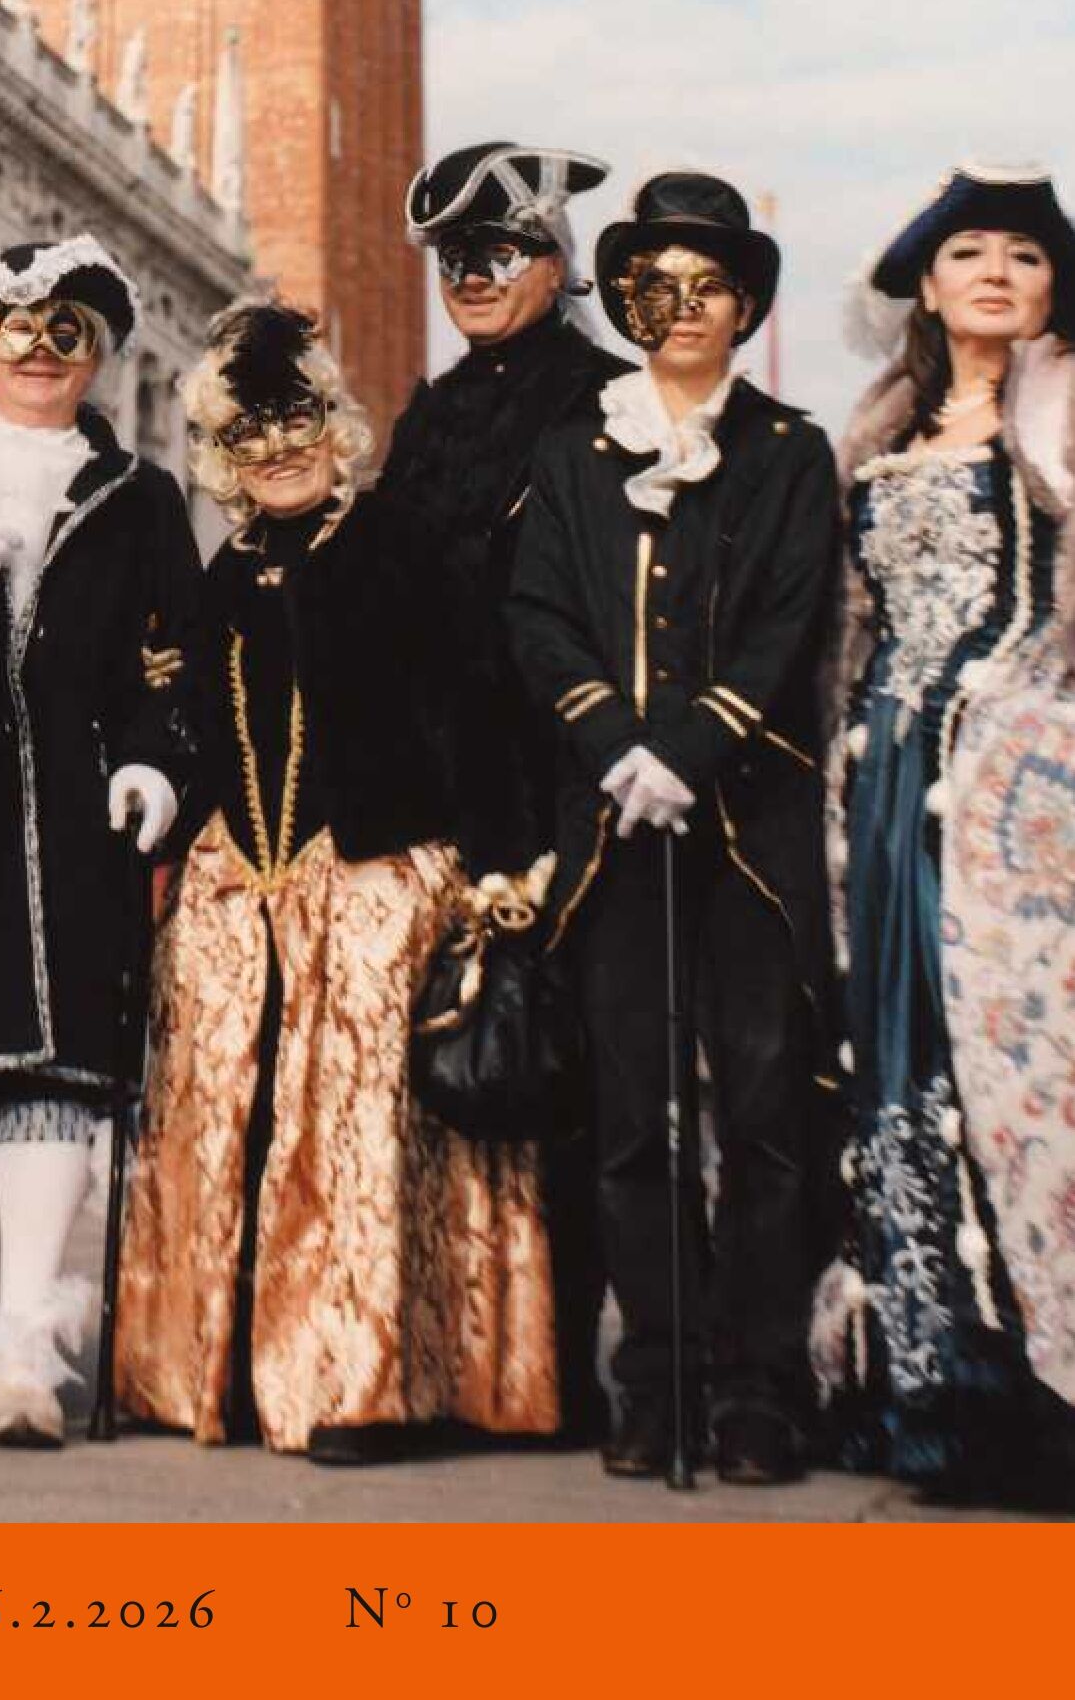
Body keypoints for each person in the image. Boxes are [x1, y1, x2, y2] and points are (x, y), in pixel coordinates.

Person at [115, 299, 558, 1458]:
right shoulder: (229, 565)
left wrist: (502, 857)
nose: (277, 449)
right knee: (221, 1106)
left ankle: (357, 1381)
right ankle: (219, 1369)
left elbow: (473, 702)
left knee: (359, 1122)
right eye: (251, 432)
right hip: (237, 879)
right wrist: (160, 783)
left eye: (296, 419)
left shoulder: (397, 543)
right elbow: (195, 723)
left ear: (333, 422)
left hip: (372, 865)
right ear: (221, 449)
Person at [507, 171, 839, 1486]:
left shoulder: (786, 452)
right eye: (654, 284)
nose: (681, 306)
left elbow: (786, 623)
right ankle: (655, 1376)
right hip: (610, 826)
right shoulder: (570, 451)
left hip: (745, 825)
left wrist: (687, 749)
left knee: (759, 1110)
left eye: (708, 286)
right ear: (627, 298)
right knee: (634, 1120)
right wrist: (609, 741)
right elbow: (535, 612)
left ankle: (757, 1387)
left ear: (743, 307)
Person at [0, 231, 200, 1448]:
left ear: (98, 354)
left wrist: (152, 756)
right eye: (14, 330)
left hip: (76, 810)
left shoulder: (139, 496)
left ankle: (29, 1329)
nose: (36, 353)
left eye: (65, 331)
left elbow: (172, 653)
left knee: (59, 1062)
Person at [823, 165, 1075, 1506]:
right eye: (965, 252)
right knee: (895, 1066)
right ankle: (927, 1387)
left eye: (1021, 258)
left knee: (1015, 1064)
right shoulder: (877, 429)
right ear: (923, 284)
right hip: (880, 775)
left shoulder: (1058, 415)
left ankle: (1037, 1396)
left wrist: (1025, 693)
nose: (991, 272)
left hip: (1018, 786)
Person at [379, 138, 614, 1437]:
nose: (470, 275)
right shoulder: (428, 413)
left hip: (559, 779)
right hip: (439, 784)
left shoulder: (599, 399)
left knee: (555, 1063)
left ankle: (558, 1370)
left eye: (496, 251)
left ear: (550, 259)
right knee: (456, 1059)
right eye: (450, 260)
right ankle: (461, 1362)